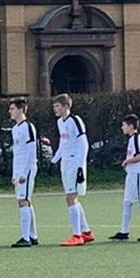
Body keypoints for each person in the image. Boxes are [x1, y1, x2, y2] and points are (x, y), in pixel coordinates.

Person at [53, 94, 93, 247]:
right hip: (65, 162)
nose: (55, 109)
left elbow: (83, 142)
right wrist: (54, 160)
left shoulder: (75, 120)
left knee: (71, 197)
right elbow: (63, 143)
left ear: (65, 106)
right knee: (72, 197)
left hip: (75, 162)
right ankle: (86, 232)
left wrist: (81, 165)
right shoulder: (60, 122)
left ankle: (77, 235)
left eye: (57, 106)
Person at [110, 115, 140, 242]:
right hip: (132, 174)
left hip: (138, 174)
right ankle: (124, 231)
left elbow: (139, 157)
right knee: (127, 202)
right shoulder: (132, 139)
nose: (122, 127)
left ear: (131, 126)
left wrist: (126, 161)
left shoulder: (137, 138)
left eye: (124, 125)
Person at [8, 98, 40, 247]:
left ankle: (25, 237)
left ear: (21, 110)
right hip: (19, 168)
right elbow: (17, 152)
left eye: (13, 109)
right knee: (25, 200)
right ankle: (33, 235)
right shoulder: (15, 129)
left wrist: (24, 173)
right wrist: (15, 173)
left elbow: (31, 151)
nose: (10, 111)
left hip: (26, 168)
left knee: (23, 200)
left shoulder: (28, 127)